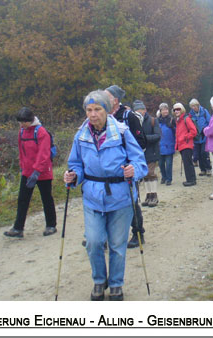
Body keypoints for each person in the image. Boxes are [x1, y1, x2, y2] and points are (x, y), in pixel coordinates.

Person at [64, 90, 147, 301]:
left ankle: (117, 283)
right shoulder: (81, 135)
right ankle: (99, 280)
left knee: (118, 245)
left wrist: (133, 170)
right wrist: (73, 176)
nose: (93, 114)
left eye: (97, 109)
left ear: (106, 110)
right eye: (89, 110)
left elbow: (140, 162)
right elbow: (76, 164)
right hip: (93, 197)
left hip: (121, 197)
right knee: (93, 242)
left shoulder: (121, 132)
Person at [105, 85, 147, 250]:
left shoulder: (129, 116)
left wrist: (130, 160)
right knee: (106, 201)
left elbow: (141, 141)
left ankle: (138, 233)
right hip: (108, 169)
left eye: (106, 96)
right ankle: (104, 237)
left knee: (130, 201)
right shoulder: (103, 117)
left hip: (127, 168)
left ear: (115, 100)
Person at [4, 107, 57, 238]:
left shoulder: (41, 132)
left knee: (46, 198)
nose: (22, 125)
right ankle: (18, 228)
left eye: (24, 122)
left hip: (43, 173)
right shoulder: (22, 132)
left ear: (31, 120)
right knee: (22, 199)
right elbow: (22, 152)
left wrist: (37, 171)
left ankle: (51, 225)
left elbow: (43, 154)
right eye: (20, 122)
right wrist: (23, 167)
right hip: (27, 172)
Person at [133, 100, 161, 207]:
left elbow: (158, 135)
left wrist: (143, 139)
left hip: (151, 151)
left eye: (140, 111)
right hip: (141, 153)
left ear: (145, 110)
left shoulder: (153, 121)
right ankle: (149, 195)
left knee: (150, 173)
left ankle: (154, 195)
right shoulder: (135, 122)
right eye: (137, 111)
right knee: (145, 174)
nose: (139, 113)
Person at [173, 103, 197, 186]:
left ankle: (191, 180)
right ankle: (191, 179)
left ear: (182, 109)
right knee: (187, 163)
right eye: (175, 109)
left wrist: (186, 137)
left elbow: (194, 131)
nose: (176, 111)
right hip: (182, 145)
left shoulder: (186, 119)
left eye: (178, 109)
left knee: (188, 163)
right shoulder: (178, 120)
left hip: (186, 145)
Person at [188, 99, 212, 176]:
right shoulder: (190, 115)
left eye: (195, 106)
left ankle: (208, 168)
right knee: (198, 154)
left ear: (198, 105)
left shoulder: (204, 112)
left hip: (204, 136)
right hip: (196, 138)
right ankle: (202, 170)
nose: (194, 107)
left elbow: (210, 122)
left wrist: (206, 130)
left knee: (204, 153)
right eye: (192, 106)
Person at [157, 103, 176, 186]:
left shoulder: (172, 120)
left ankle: (169, 179)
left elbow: (176, 131)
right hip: (160, 146)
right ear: (160, 111)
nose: (165, 111)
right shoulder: (157, 121)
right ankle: (163, 177)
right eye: (163, 109)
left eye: (166, 109)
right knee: (161, 164)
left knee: (168, 164)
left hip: (169, 145)